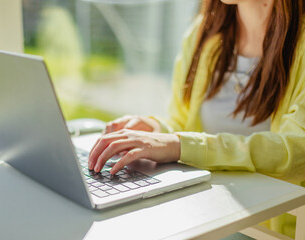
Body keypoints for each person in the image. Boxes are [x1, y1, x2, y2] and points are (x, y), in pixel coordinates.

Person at [89, 0, 305, 237]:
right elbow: (184, 124)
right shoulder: (204, 33)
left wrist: (180, 145)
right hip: (203, 214)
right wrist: (156, 129)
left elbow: (296, 152)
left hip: (266, 229)